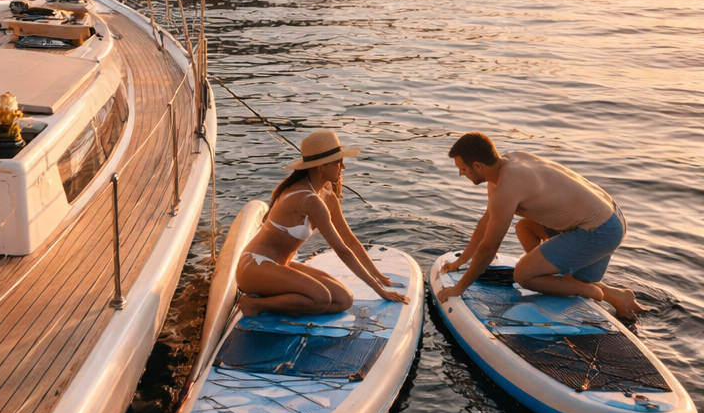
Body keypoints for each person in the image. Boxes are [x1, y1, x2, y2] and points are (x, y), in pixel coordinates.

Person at [438, 132, 642, 317]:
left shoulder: (507, 187)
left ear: (477, 166)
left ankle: (588, 290)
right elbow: (486, 223)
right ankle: (613, 294)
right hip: (611, 216)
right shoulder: (509, 164)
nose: (460, 173)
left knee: (523, 275)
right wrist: (461, 261)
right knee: (524, 228)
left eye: (462, 168)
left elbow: (489, 248)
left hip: (600, 230)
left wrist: (459, 288)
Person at [236, 130, 409, 316]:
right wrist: (380, 291)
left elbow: (350, 242)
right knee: (322, 298)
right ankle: (256, 304)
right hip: (254, 266)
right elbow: (342, 251)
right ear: (320, 166)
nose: (343, 166)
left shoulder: (327, 196)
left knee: (344, 299)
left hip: (281, 266)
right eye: (337, 162)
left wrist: (379, 276)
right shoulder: (307, 199)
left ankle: (279, 299)